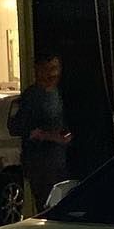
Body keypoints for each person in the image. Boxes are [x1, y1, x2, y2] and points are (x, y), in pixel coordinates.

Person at [11, 53, 72, 207]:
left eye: (56, 68)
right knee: (46, 204)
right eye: (49, 69)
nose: (53, 74)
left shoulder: (62, 93)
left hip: (61, 160)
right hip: (41, 164)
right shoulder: (31, 96)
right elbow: (17, 127)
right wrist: (46, 136)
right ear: (38, 70)